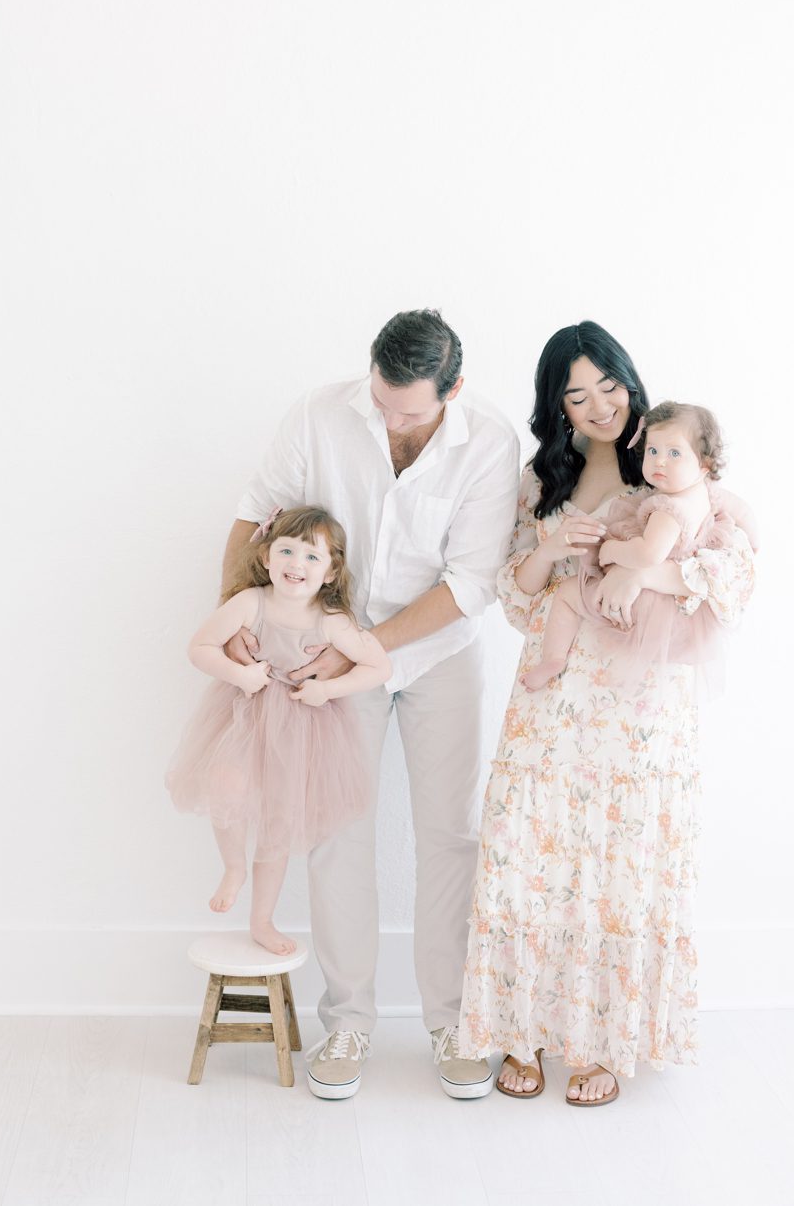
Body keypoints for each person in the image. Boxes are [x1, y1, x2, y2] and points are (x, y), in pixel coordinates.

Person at [221, 310, 520, 1098]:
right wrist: (236, 617)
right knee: (336, 835)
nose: (390, 422)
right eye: (382, 403)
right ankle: (348, 1021)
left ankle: (453, 1021)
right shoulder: (319, 413)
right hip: (326, 657)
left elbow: (470, 582)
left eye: (409, 412)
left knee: (450, 835)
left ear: (454, 389)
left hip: (437, 653)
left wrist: (365, 645)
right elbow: (255, 512)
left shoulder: (490, 441)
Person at [459, 322, 756, 1106]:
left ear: (630, 381)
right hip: (551, 696)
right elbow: (513, 594)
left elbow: (731, 576)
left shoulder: (669, 460)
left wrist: (639, 573)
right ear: (556, 406)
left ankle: (602, 1042)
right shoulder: (539, 478)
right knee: (527, 852)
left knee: (617, 864)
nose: (598, 406)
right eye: (577, 395)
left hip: (639, 705)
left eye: (609, 386)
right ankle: (522, 1031)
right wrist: (553, 547)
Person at [167, 506, 391, 955]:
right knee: (224, 783)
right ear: (267, 557)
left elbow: (379, 666)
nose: (296, 564)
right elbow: (200, 647)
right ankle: (233, 867)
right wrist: (240, 674)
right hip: (244, 717)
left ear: (330, 572)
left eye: (312, 556)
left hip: (303, 728)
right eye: (286, 551)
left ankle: (262, 920)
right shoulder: (250, 603)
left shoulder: (332, 620)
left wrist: (328, 689)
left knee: (278, 822)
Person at [521, 399, 757, 691]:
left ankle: (552, 660)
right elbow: (745, 513)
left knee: (568, 594)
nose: (660, 461)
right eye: (653, 451)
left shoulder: (667, 509)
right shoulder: (709, 495)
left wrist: (611, 551)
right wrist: (754, 542)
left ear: (704, 464)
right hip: (680, 607)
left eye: (674, 453)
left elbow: (649, 553)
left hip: (646, 602)